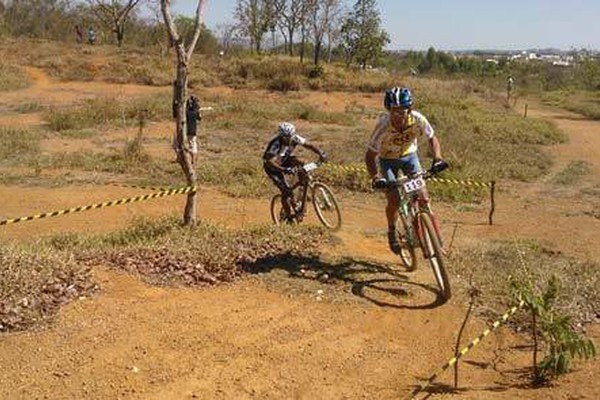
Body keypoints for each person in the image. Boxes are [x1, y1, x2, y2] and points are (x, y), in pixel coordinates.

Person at [365, 87, 447, 254]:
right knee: (394, 200)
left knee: (423, 196)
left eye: (402, 111)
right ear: (389, 110)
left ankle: (436, 239)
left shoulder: (418, 119)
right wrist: (375, 177)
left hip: (410, 157)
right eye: (394, 111)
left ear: (409, 109)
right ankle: (392, 230)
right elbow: (370, 155)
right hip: (387, 160)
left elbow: (432, 137)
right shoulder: (383, 125)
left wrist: (438, 158)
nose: (398, 115)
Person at [263, 122, 327, 221]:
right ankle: (288, 217)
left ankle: (302, 183)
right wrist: (284, 169)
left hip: (285, 160)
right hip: (273, 168)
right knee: (286, 191)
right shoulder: (275, 143)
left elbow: (309, 145)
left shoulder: (295, 138)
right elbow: (270, 161)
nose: (289, 139)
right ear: (281, 136)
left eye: (290, 136)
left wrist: (320, 153)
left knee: (302, 163)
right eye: (286, 137)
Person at [186, 95, 202, 164]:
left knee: (189, 144)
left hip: (186, 130)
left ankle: (192, 159)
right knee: (192, 144)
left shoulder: (186, 112)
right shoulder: (195, 112)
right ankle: (193, 159)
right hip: (192, 131)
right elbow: (200, 118)